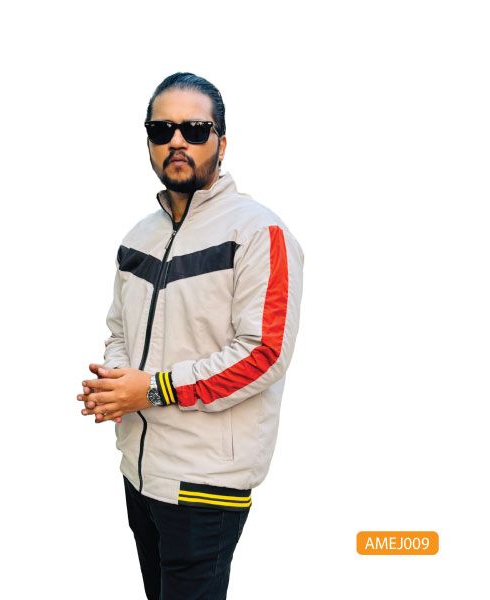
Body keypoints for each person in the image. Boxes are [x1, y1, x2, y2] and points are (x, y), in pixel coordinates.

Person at [77, 72, 304, 599]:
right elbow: (119, 329)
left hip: (207, 481)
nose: (177, 141)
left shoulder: (258, 232)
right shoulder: (139, 236)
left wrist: (152, 389)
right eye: (162, 129)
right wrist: (116, 385)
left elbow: (263, 354)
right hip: (139, 471)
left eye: (195, 129)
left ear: (221, 143)